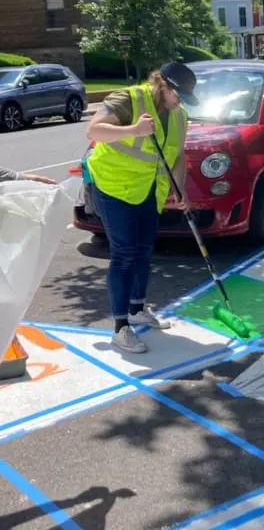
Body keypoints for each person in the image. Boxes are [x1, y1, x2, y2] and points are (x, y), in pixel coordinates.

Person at [85, 62, 197, 354]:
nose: (179, 102)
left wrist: (180, 189)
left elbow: (178, 156)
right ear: (164, 85)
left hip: (149, 189)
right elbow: (94, 131)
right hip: (113, 185)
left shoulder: (179, 115)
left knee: (145, 248)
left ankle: (137, 308)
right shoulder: (129, 99)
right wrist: (134, 129)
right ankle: (120, 328)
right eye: (178, 95)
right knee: (124, 253)